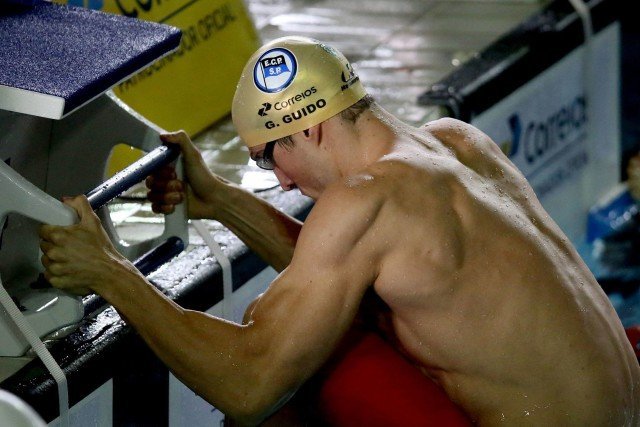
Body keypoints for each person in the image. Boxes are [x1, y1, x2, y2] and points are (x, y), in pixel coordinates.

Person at [39, 36, 640, 425]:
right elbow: (354, 277)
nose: (279, 182)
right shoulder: (458, 143)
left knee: (286, 390)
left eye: (265, 160)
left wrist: (108, 273)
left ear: (311, 130)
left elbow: (247, 383)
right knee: (322, 329)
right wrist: (220, 201)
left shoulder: (362, 203)